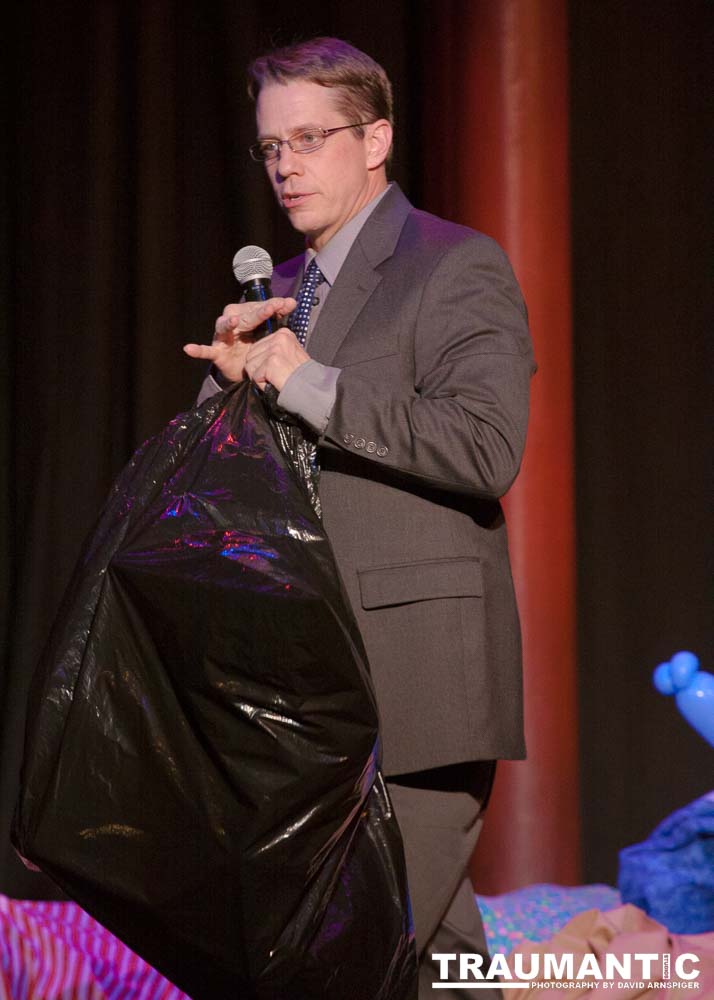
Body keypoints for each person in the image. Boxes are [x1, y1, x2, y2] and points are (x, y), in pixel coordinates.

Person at [184, 36, 534, 998]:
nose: (286, 163)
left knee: (349, 954)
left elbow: (484, 445)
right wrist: (227, 403)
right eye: (270, 146)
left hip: (416, 682)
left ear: (375, 138)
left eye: (310, 137)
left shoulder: (453, 263)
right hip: (307, 689)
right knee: (441, 957)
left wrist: (308, 383)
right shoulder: (285, 297)